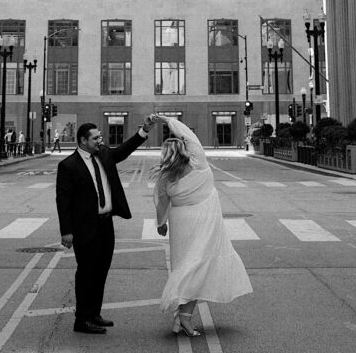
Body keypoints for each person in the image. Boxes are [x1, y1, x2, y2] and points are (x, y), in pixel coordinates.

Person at [151, 114, 252, 337]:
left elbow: (161, 202)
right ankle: (184, 317)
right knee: (200, 266)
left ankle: (182, 313)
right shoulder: (199, 163)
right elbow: (190, 135)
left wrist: (161, 223)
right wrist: (168, 120)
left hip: (181, 224)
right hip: (206, 220)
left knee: (186, 266)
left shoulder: (165, 177)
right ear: (186, 150)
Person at [56, 115, 156, 334]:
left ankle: (94, 314)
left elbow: (124, 150)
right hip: (84, 228)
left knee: (101, 271)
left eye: (100, 137)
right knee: (86, 273)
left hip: (105, 225)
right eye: (95, 138)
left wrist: (144, 131)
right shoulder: (68, 166)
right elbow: (63, 201)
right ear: (83, 141)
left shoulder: (104, 154)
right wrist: (66, 232)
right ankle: (82, 320)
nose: (99, 141)